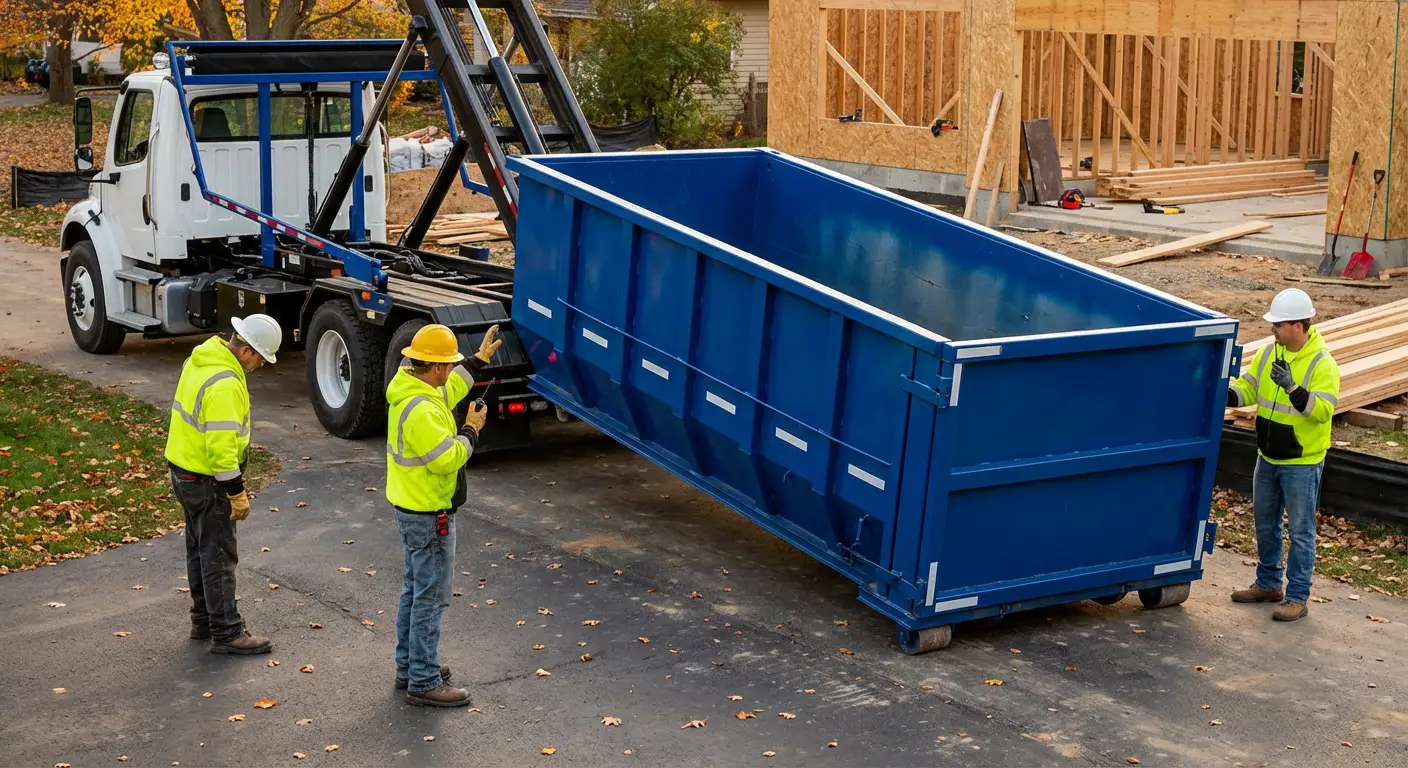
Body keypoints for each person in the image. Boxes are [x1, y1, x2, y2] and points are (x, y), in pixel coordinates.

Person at [385, 322, 500, 706]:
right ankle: (423, 680)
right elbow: (447, 459)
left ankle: (409, 667)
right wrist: (471, 430)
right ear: (434, 367)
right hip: (429, 515)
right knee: (431, 598)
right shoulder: (422, 411)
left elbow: (450, 390)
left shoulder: (414, 388)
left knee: (414, 592)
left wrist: (477, 362)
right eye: (448, 364)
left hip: (412, 509)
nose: (451, 370)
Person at [165, 314, 282, 653]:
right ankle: (227, 632)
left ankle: (204, 621)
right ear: (246, 350)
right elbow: (221, 448)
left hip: (184, 471)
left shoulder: (202, 358)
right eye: (261, 357)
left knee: (200, 550)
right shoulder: (226, 384)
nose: (261, 364)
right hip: (208, 480)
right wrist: (235, 491)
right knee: (218, 556)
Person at [1227, 289, 1340, 622]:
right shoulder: (1268, 352)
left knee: (1301, 532)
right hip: (1268, 457)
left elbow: (1323, 411)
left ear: (1297, 326)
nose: (1272, 329)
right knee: (1265, 524)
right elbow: (1249, 387)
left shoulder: (1322, 363)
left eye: (1278, 324)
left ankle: (1297, 597)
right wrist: (1224, 394)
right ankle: (1268, 585)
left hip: (1301, 463)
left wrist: (1293, 388)